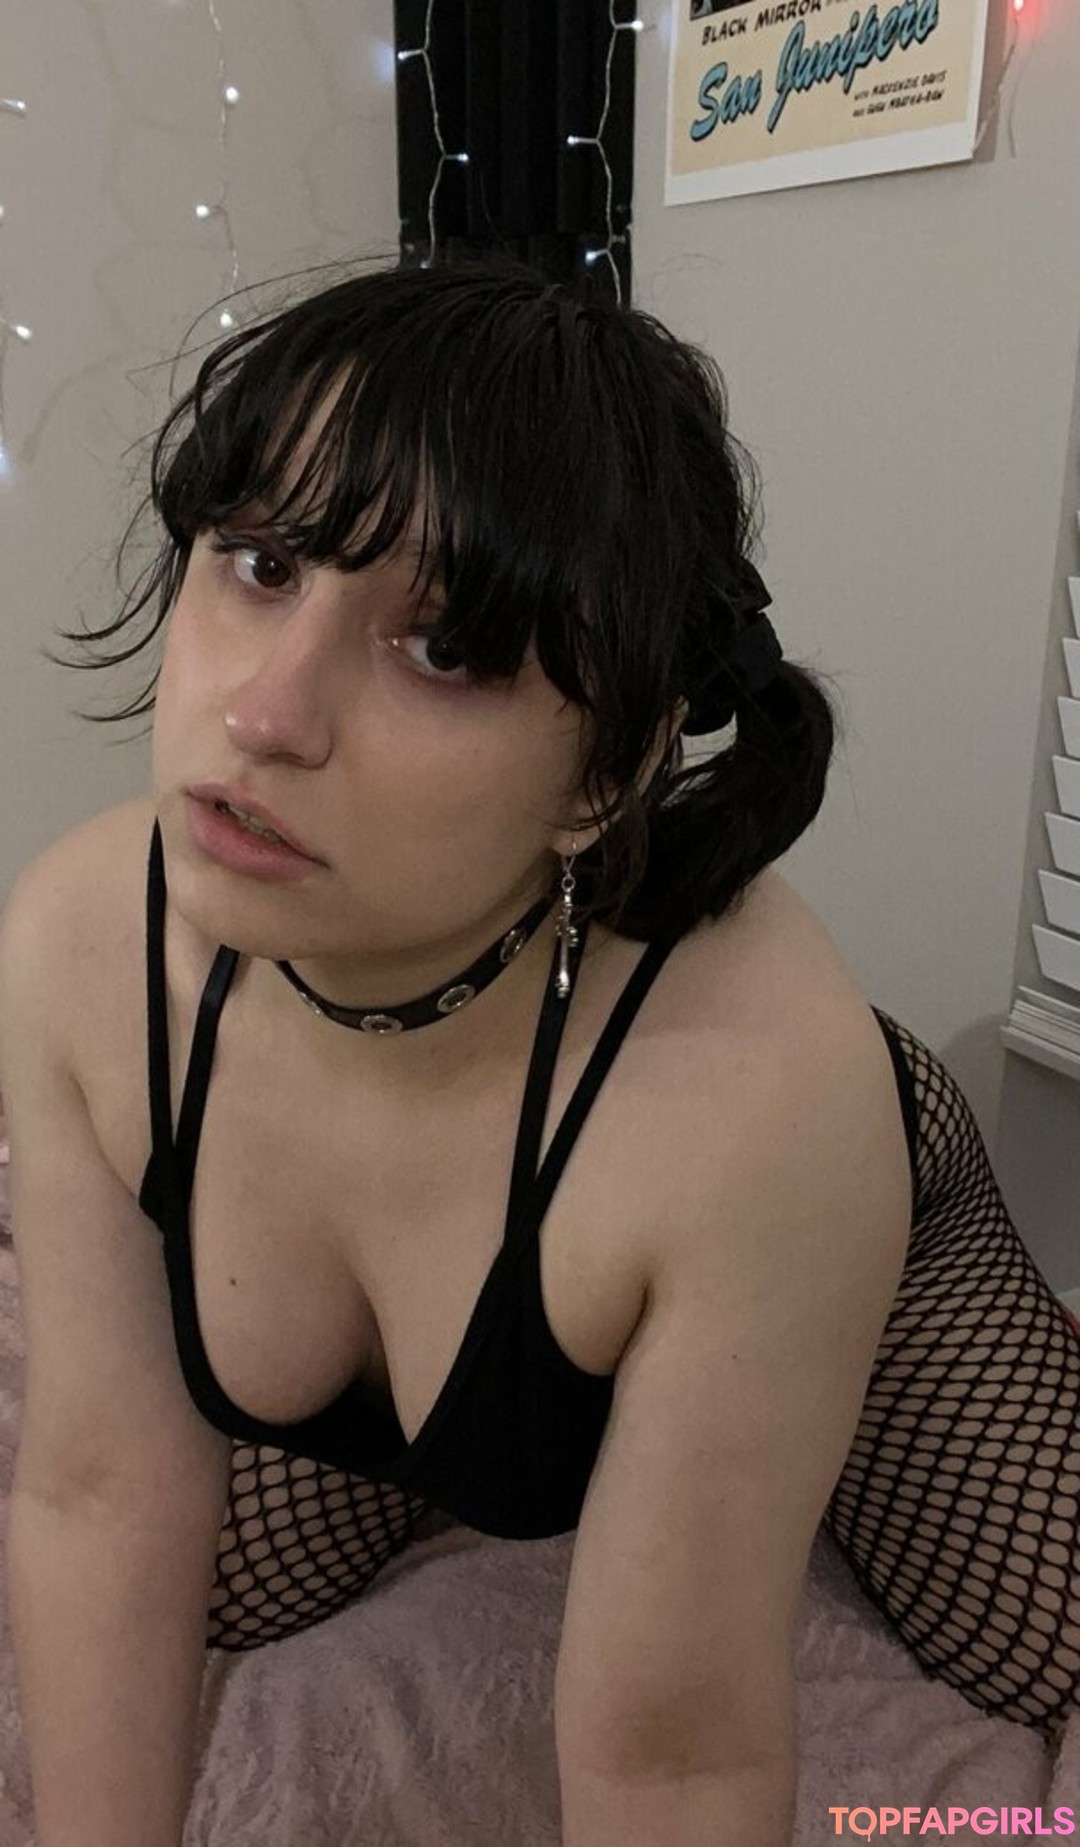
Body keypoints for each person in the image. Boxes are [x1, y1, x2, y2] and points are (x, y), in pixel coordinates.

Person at [0, 255, 1075, 1847]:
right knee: (228, 1589)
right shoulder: (81, 948)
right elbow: (98, 1495)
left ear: (604, 774)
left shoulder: (763, 1096)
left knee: (1035, 1637)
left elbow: (678, 1748)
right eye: (261, 562)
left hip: (844, 1202)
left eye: (447, 648)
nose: (267, 713)